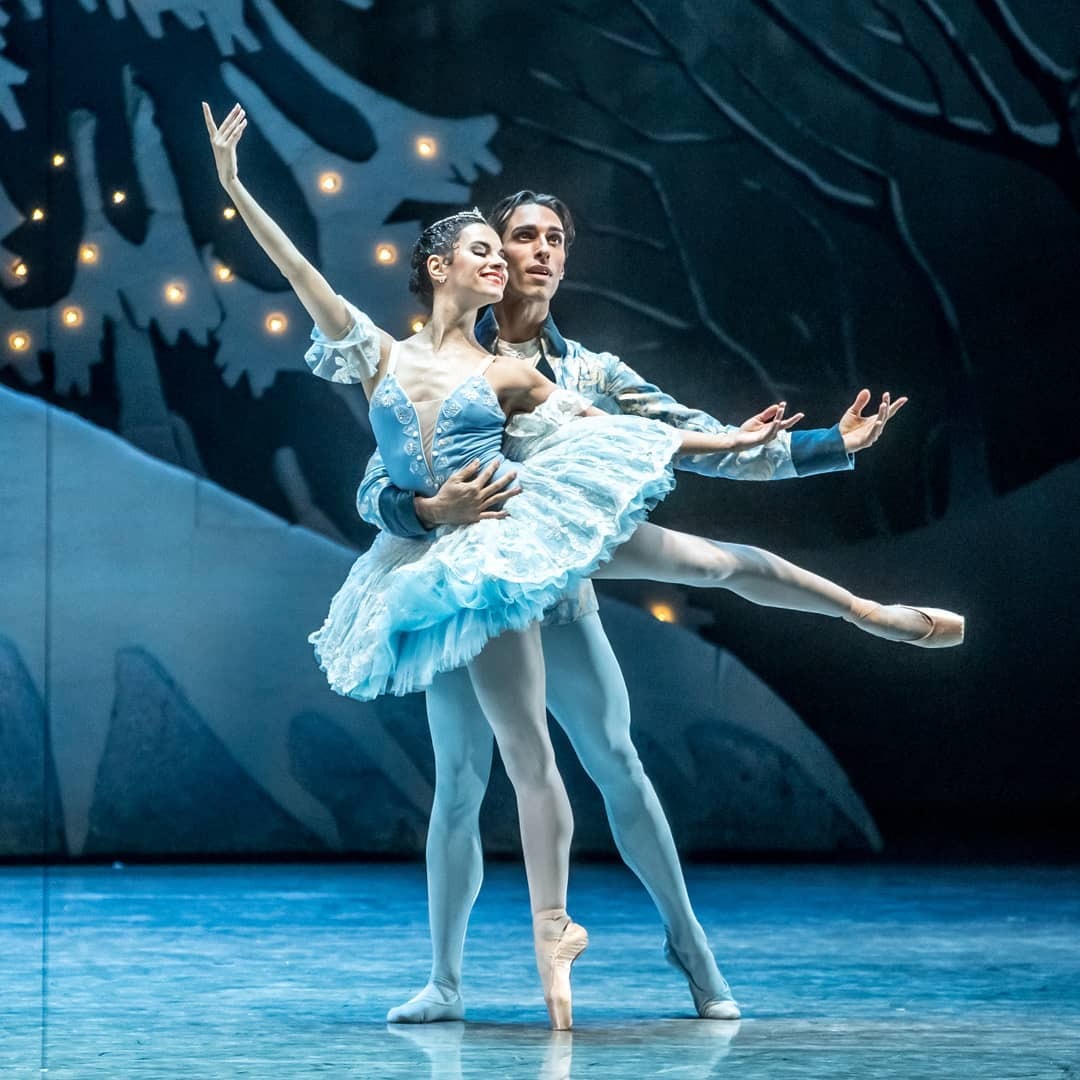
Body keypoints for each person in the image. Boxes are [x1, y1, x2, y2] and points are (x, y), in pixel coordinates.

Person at [203, 104, 963, 1027]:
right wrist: (430, 509)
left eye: (551, 239)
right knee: (461, 779)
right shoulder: (416, 358)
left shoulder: (583, 372)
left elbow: (679, 436)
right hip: (460, 582)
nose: (533, 253)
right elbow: (382, 483)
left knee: (620, 752)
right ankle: (448, 978)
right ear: (474, 258)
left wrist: (818, 445)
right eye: (516, 238)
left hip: (558, 580)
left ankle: (689, 943)